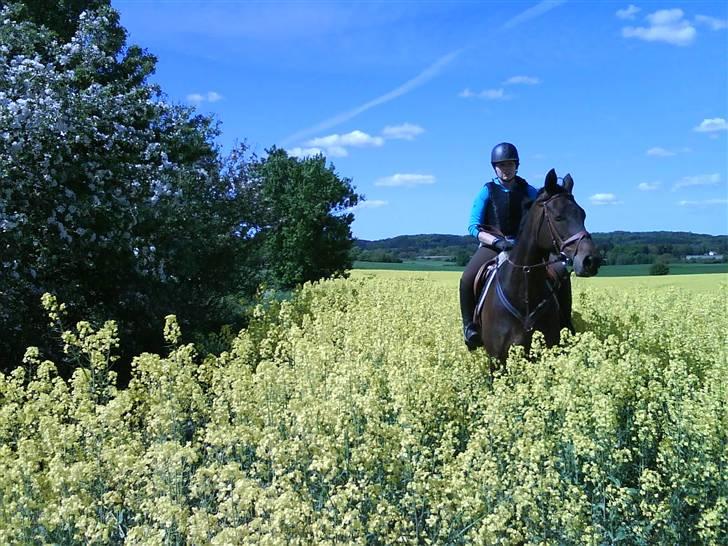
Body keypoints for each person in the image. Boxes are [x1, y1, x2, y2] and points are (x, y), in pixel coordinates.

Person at [459, 142, 538, 350]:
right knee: (467, 278)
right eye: (501, 165)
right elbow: (473, 226)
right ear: (495, 167)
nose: (506, 169)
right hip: (493, 245)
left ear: (517, 166)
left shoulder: (529, 190)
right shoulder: (487, 191)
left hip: (523, 247)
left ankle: (564, 321)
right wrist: (497, 242)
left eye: (510, 165)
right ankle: (470, 327)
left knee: (559, 274)